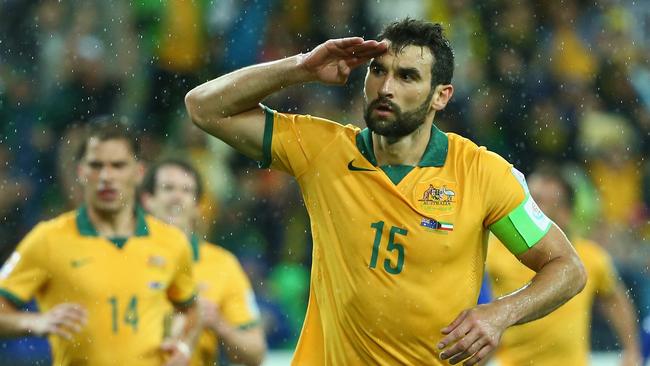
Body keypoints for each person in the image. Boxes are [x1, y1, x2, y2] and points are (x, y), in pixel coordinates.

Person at [184, 18, 587, 365]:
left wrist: (500, 313)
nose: (386, 87)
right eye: (378, 71)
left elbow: (567, 268)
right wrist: (301, 67)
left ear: (440, 96)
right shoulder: (322, 150)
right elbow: (203, 107)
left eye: (407, 76)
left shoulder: (481, 173)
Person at [0, 121, 199, 365]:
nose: (106, 176)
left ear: (139, 172)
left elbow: (189, 308)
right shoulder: (48, 239)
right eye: (96, 166)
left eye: (118, 166)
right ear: (81, 172)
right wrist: (34, 322)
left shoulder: (172, 242)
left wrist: (183, 344)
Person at [485, 165, 643, 366]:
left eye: (539, 202)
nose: (526, 208)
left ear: (566, 212)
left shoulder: (591, 257)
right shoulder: (497, 249)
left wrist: (632, 350)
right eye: (528, 199)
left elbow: (614, 300)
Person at [140, 157, 267, 366]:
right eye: (168, 188)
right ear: (147, 200)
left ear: (198, 205)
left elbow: (256, 353)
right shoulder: (127, 254)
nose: (177, 197)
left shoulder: (223, 265)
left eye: (186, 190)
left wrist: (218, 322)